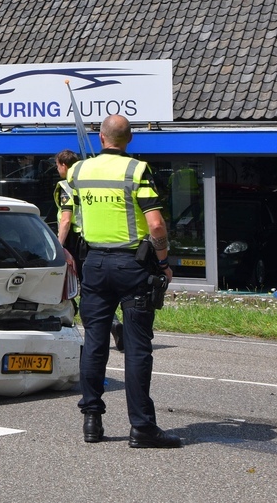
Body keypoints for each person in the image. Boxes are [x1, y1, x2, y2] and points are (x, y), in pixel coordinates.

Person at [68, 115, 182, 449]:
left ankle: (92, 420)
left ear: (101, 137)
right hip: (132, 266)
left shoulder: (77, 172)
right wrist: (163, 263)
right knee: (136, 348)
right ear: (129, 139)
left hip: (95, 265)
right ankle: (142, 428)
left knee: (95, 343)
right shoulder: (136, 170)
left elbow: (70, 217)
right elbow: (156, 225)